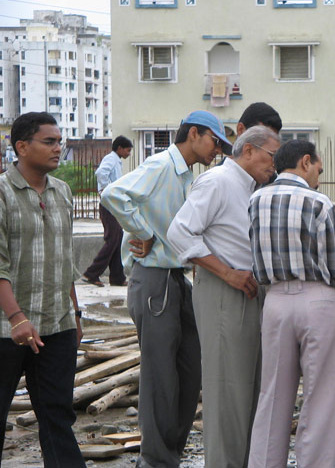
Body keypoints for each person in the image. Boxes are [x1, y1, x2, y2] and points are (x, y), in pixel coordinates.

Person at [101, 110, 228, 468]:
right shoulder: (161, 165)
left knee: (189, 370)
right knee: (159, 374)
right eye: (214, 141)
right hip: (154, 279)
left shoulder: (188, 176)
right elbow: (114, 193)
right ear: (194, 134)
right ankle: (156, 460)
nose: (217, 150)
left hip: (177, 279)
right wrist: (144, 233)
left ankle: (170, 452)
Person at [167, 125, 280, 468]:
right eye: (272, 156)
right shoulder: (217, 181)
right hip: (224, 291)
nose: (274, 165)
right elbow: (180, 232)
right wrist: (227, 272)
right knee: (227, 393)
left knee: (248, 391)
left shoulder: (251, 189)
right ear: (249, 151)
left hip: (249, 289)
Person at [247, 139, 335, 468]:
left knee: (272, 397)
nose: (318, 179)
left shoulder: (256, 199)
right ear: (306, 162)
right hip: (317, 300)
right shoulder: (319, 202)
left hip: (275, 301)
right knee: (320, 398)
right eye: (318, 170)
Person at [0, 112, 85, 467]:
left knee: (57, 416)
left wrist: (75, 315)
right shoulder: (3, 193)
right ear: (22, 147)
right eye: (49, 142)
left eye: (59, 142)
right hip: (7, 329)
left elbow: (66, 261)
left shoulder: (61, 191)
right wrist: (16, 318)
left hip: (56, 325)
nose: (57, 148)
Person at [82, 135, 133, 287]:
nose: (129, 153)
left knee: (117, 237)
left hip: (112, 204)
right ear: (120, 148)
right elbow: (100, 173)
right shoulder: (111, 159)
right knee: (113, 239)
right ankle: (91, 273)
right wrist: (107, 191)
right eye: (128, 150)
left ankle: (117, 278)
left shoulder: (116, 160)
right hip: (108, 204)